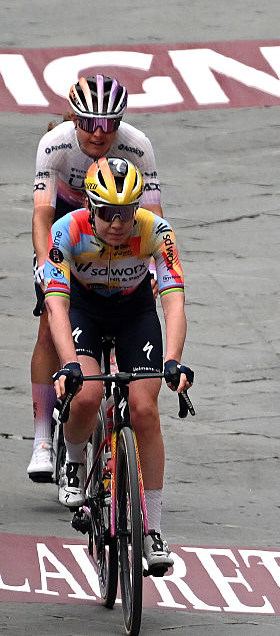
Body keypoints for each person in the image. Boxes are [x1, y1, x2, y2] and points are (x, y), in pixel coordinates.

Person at [45, 157, 190, 576]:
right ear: (91, 207)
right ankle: (73, 460)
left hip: (134, 312)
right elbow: (56, 305)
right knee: (86, 393)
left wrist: (174, 359)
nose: (116, 222)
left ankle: (154, 530)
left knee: (145, 409)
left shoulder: (156, 231)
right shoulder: (66, 230)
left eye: (125, 212)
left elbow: (174, 300)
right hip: (84, 310)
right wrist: (68, 364)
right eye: (106, 212)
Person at [27, 75, 162, 483]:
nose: (99, 133)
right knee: (52, 326)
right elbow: (42, 216)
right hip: (68, 230)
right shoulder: (55, 146)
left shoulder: (138, 146)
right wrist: (44, 261)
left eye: (109, 124)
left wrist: (154, 268)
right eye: (88, 123)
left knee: (131, 298)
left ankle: (107, 406)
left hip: (118, 225)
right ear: (75, 119)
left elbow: (153, 217)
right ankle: (42, 439)